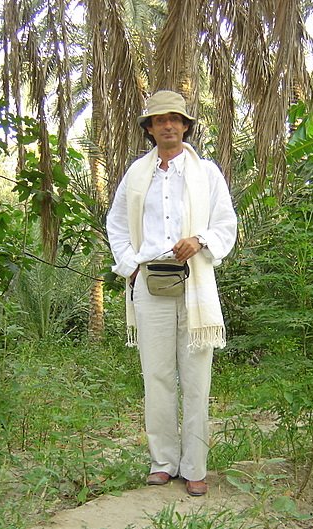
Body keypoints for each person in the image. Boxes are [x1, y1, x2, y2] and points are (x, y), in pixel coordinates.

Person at [106, 90, 237, 497]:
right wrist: (130, 265)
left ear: (185, 126)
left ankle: (195, 466)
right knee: (157, 376)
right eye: (159, 120)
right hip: (150, 285)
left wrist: (198, 240)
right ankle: (163, 461)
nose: (167, 126)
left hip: (194, 284)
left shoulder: (207, 173)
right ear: (149, 129)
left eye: (174, 119)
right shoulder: (137, 174)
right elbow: (117, 224)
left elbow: (226, 223)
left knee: (196, 378)